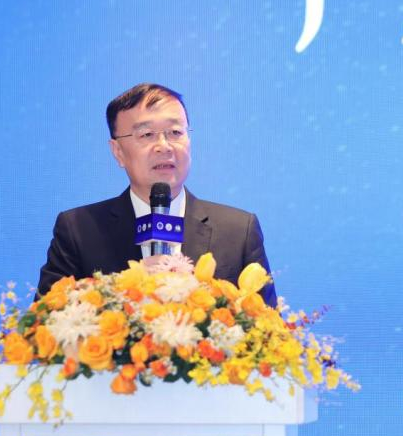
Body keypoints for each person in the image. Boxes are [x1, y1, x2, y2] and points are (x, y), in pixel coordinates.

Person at [37, 83, 276, 306]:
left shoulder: (238, 231)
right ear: (118, 152)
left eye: (175, 132)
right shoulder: (78, 230)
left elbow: (267, 328)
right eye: (147, 135)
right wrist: (125, 288)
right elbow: (46, 322)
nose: (164, 146)